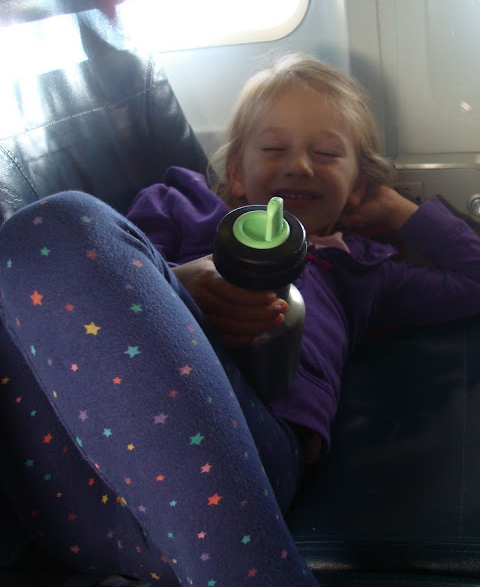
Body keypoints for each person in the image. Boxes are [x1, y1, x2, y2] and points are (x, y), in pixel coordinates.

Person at [0, 53, 480, 587]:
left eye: (325, 153)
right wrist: (178, 287)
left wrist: (397, 211)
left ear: (359, 183)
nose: (299, 165)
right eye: (274, 149)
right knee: (54, 228)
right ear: (234, 172)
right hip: (75, 474)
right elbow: (100, 292)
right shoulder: (182, 210)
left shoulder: (360, 269)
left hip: (236, 469)